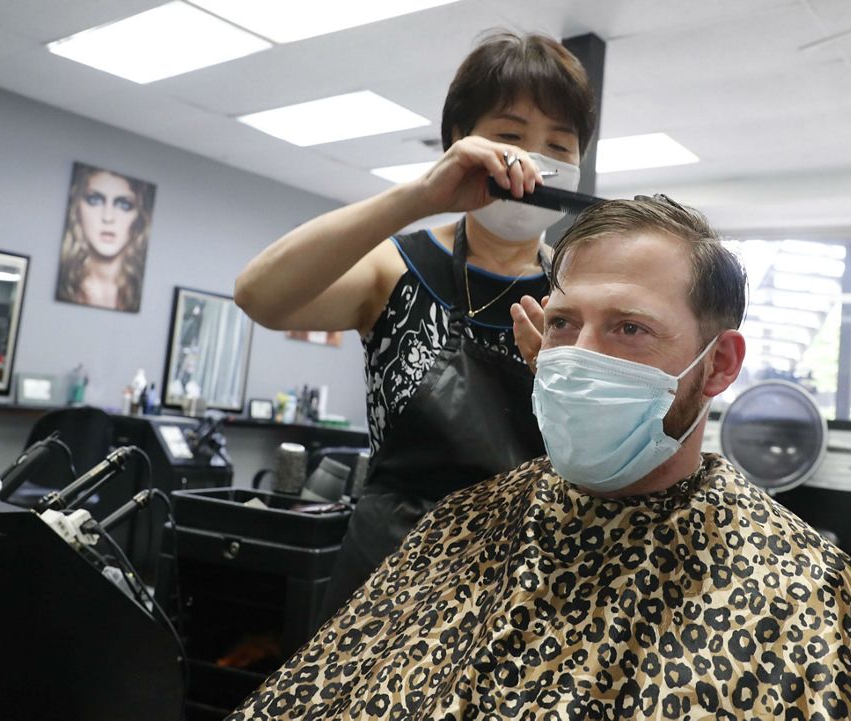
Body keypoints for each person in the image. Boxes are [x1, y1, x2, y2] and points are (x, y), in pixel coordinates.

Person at [227, 196, 851, 721]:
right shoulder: (458, 527)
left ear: (718, 366)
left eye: (629, 328)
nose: (579, 357)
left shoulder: (815, 596)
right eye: (562, 323)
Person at [233, 30, 596, 625]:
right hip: (386, 585)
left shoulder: (577, 300)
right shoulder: (395, 268)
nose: (533, 162)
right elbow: (259, 296)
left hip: (522, 590)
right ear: (459, 141)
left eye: (559, 144)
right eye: (509, 137)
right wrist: (419, 198)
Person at [55, 163, 154, 312]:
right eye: (95, 200)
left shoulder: (139, 292)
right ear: (77, 208)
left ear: (138, 216)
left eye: (124, 205)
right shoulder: (65, 286)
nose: (108, 217)